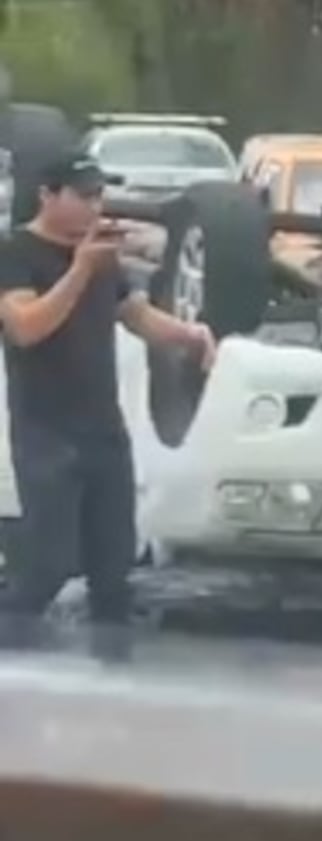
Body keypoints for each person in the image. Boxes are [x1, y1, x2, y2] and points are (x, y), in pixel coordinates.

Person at [0, 152, 216, 661]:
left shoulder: (101, 257)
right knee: (49, 563)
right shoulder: (16, 253)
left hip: (103, 429)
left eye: (99, 196)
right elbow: (26, 328)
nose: (93, 207)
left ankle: (112, 675)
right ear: (48, 196)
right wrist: (79, 269)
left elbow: (134, 314)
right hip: (46, 432)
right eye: (82, 196)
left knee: (113, 566)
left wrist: (188, 334)